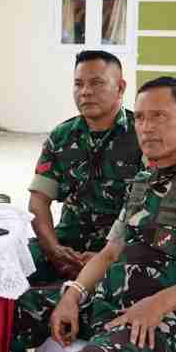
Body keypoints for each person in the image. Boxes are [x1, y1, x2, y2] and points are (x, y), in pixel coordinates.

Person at [8, 77, 176, 352]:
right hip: (104, 302)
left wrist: (158, 304)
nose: (146, 127)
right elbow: (111, 252)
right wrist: (72, 295)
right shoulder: (143, 181)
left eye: (160, 116)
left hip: (162, 321)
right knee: (2, 315)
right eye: (140, 117)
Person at [28, 51, 142, 286]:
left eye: (97, 83)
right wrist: (53, 249)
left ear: (120, 88)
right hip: (66, 246)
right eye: (78, 84)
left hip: (120, 252)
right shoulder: (61, 136)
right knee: (12, 263)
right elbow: (38, 201)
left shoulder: (142, 136)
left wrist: (107, 258)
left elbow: (151, 216)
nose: (85, 92)